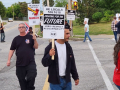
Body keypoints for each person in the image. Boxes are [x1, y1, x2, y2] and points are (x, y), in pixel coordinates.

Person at [7, 23, 38, 90]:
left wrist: (35, 40)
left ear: (25, 28)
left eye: (22, 27)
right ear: (18, 29)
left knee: (31, 77)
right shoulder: (16, 39)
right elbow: (12, 50)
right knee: (22, 81)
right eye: (20, 27)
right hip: (20, 64)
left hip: (30, 62)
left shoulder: (30, 37)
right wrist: (9, 60)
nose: (21, 28)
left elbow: (36, 47)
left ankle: (30, 87)